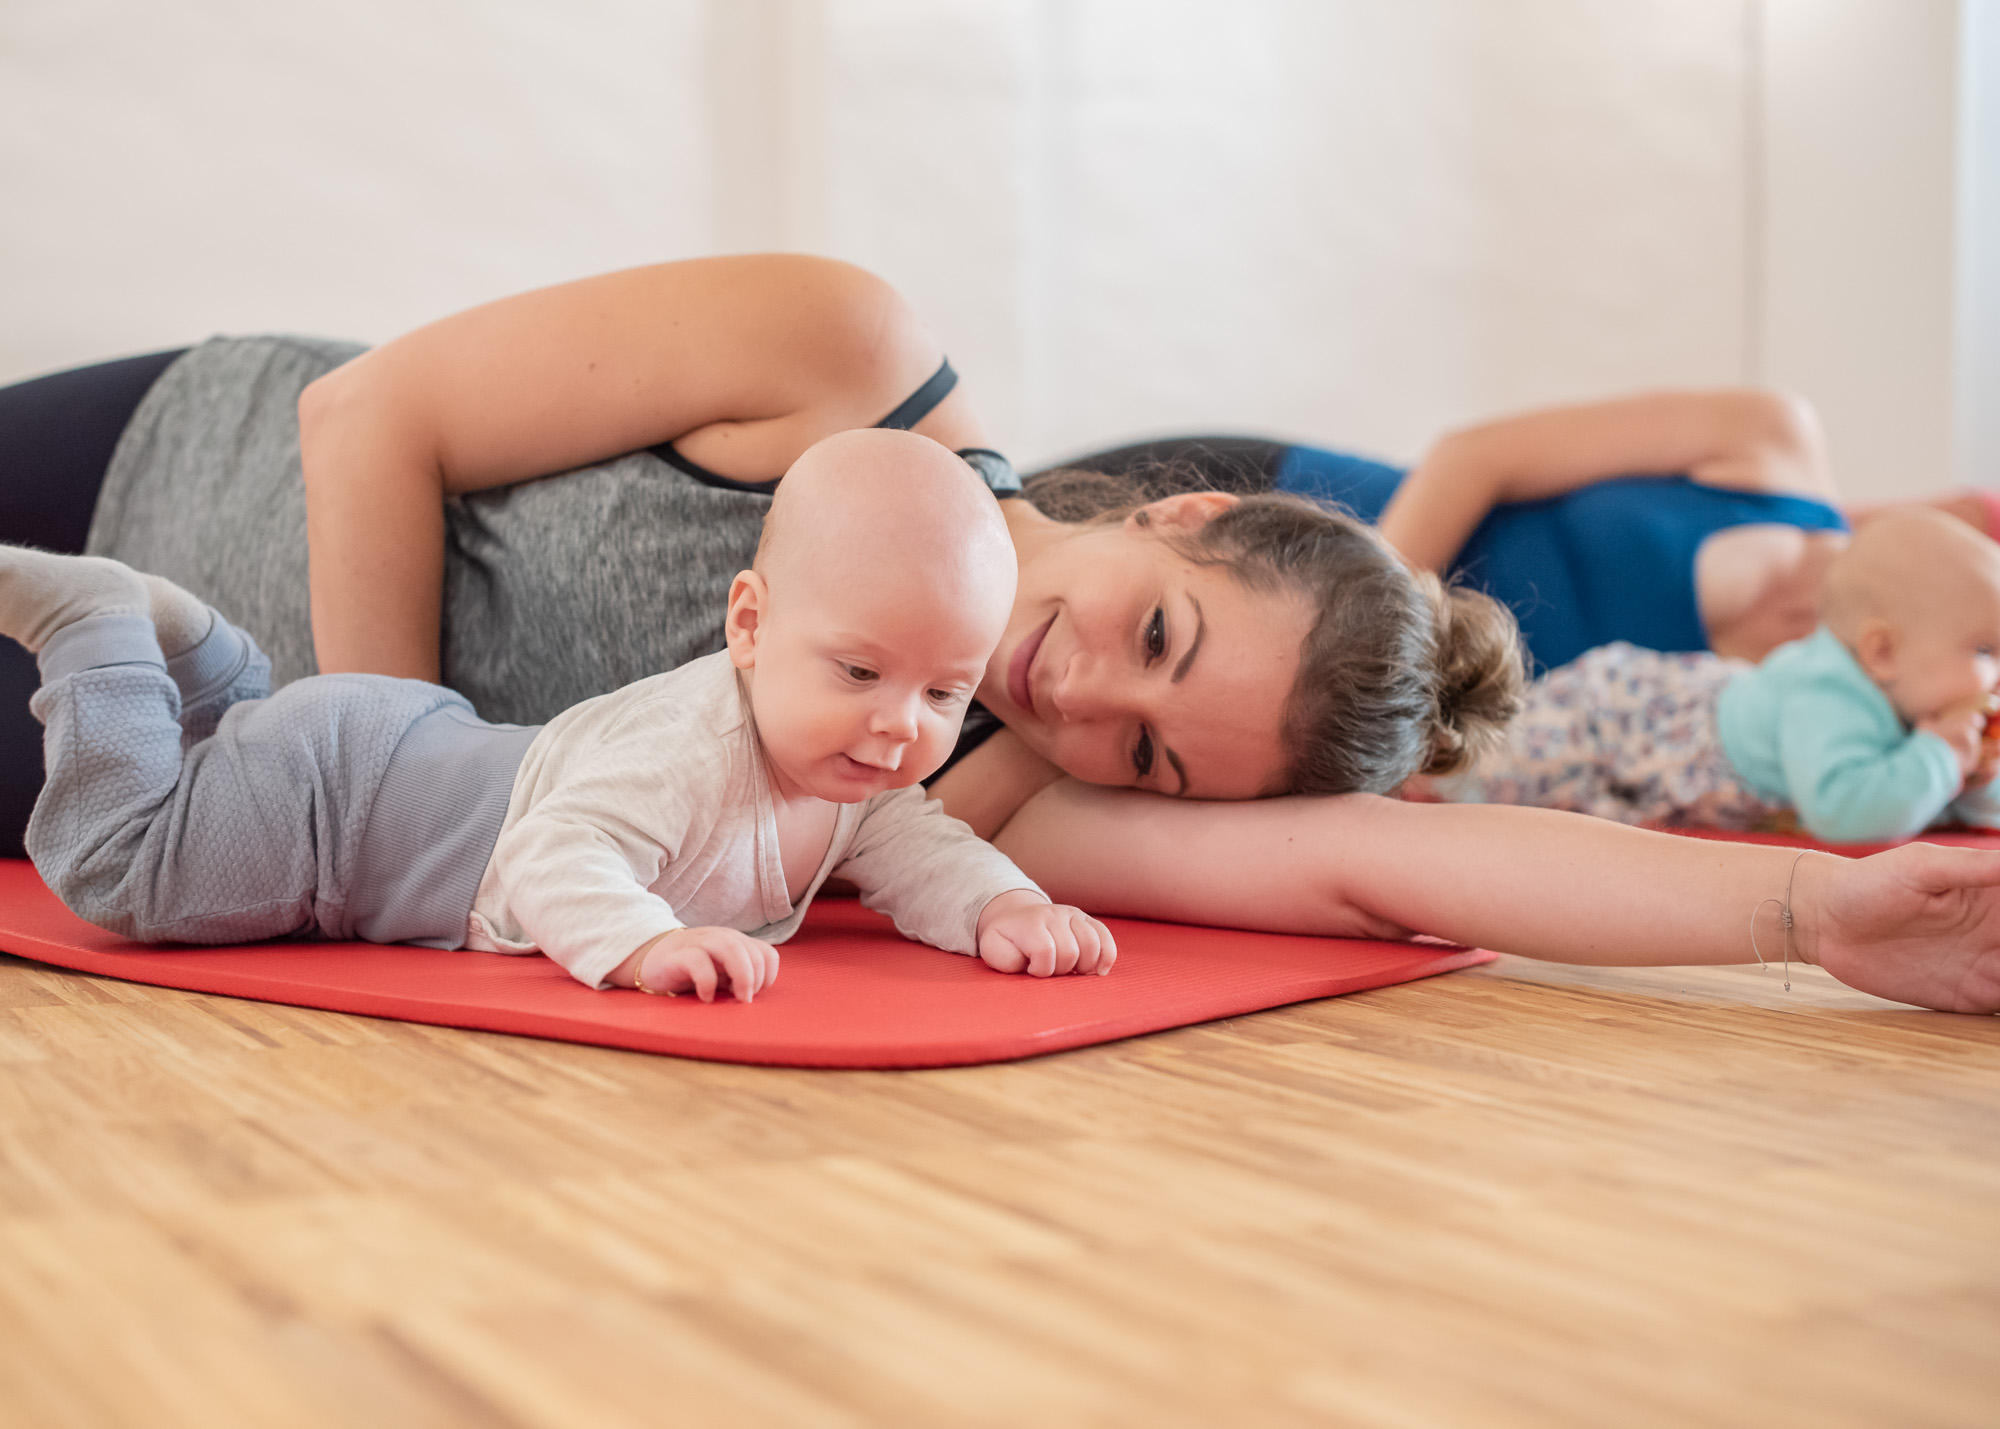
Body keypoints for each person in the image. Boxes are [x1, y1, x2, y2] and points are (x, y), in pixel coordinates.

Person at [5, 254, 2000, 1017]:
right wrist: (377, 742)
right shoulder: (848, 362)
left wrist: (1809, 922)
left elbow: (1384, 859)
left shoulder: (966, 776)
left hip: (183, 797)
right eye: (1153, 628)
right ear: (1184, 511)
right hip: (156, 489)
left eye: (1149, 747)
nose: (1079, 695)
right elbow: (373, 421)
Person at [5, 428, 1117, 1000]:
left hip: (390, 746)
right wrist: (643, 944)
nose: (898, 727)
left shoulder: (857, 776)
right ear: (748, 625)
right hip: (339, 818)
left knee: (219, 763)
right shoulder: (695, 746)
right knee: (121, 869)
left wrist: (1002, 912)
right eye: (860, 671)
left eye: (941, 693)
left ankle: (196, 649)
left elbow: (927, 852)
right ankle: (96, 626)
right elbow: (552, 850)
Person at [1443, 509, 2000, 842]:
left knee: (1575, 811)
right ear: (1882, 652)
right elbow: (1845, 812)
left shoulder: (1913, 697)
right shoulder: (1830, 693)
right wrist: (1939, 759)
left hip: (1685, 718)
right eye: (1984, 650)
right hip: (1625, 722)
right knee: (1499, 772)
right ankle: (1427, 772)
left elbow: (1942, 803)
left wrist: (1973, 778)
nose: (1994, 674)